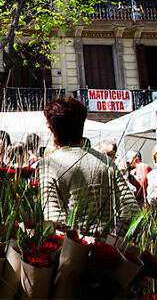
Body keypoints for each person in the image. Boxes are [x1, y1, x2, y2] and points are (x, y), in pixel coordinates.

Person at [38, 97, 138, 236]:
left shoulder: (48, 164)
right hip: (107, 250)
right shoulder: (105, 160)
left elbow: (54, 219)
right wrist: (112, 237)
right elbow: (131, 210)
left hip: (74, 250)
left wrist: (75, 242)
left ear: (53, 129)